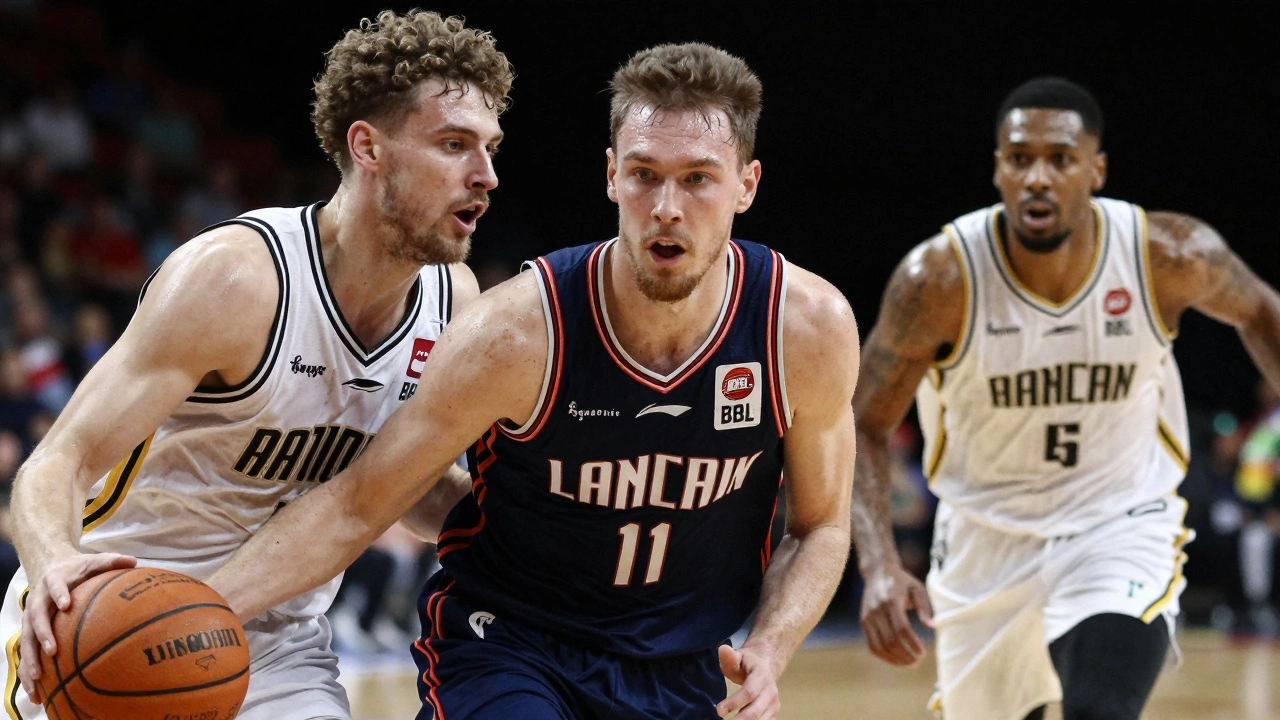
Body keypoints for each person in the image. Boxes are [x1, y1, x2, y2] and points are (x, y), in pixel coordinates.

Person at [204, 43, 860, 720]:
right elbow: (356, 503)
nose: (666, 206)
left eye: (698, 179)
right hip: (510, 646)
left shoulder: (804, 330)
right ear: (612, 175)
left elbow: (819, 526)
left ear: (746, 186)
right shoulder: (515, 335)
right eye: (644, 174)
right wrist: (196, 614)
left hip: (679, 667)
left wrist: (771, 647)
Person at [5, 10, 512, 719]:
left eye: (490, 147)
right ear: (367, 146)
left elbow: (411, 488)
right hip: (115, 616)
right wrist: (53, 562)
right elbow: (59, 460)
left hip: (275, 645)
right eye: (454, 145)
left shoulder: (452, 299)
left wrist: (544, 521)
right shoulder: (236, 280)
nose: (486, 175)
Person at [850, 76, 1280, 720]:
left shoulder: (1166, 255)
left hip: (1118, 522)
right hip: (986, 539)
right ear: (998, 169)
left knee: (1100, 709)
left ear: (1096, 170)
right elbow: (863, 423)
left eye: (1060, 159)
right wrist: (879, 565)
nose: (1037, 179)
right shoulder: (937, 281)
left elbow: (1260, 311)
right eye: (1020, 159)